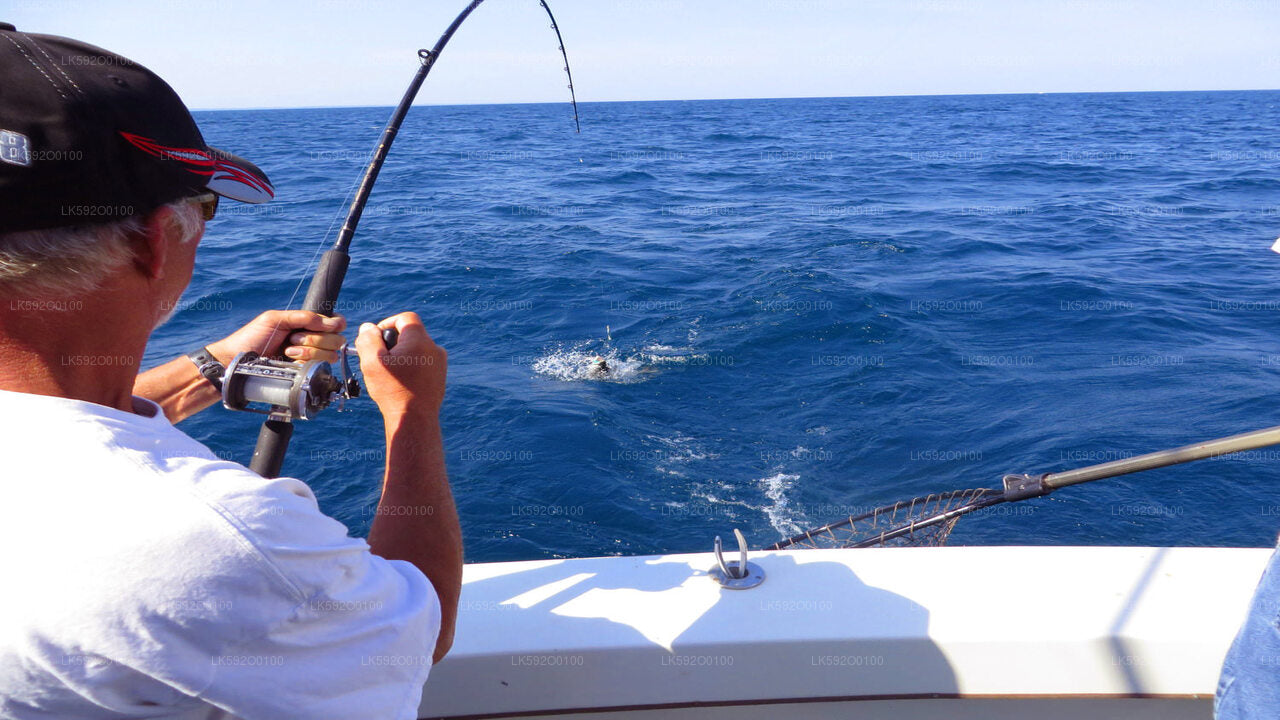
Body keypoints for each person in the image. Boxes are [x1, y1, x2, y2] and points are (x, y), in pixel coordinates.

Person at [0, 24, 462, 719]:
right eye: (204, 207)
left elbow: (62, 429)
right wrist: (412, 412)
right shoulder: (216, 542)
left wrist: (215, 367)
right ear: (156, 243)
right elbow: (414, 635)